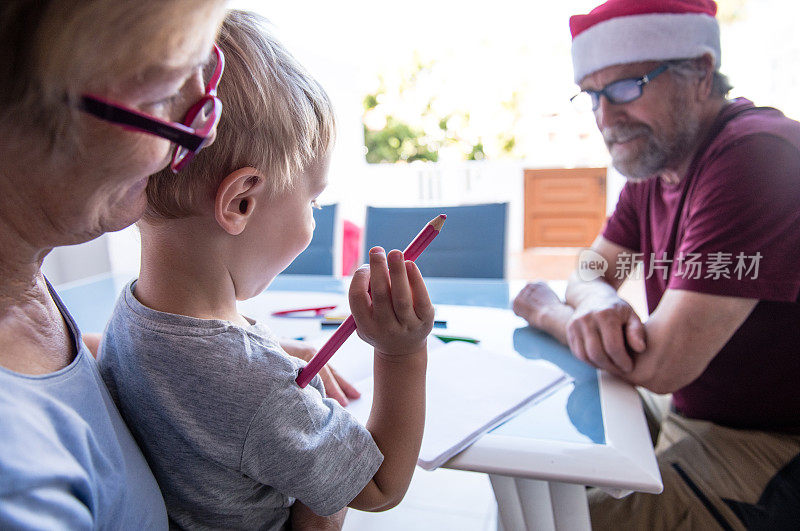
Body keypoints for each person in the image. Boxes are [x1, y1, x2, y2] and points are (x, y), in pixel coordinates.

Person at [98, 10, 433, 530]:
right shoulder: (259, 390)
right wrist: (400, 353)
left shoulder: (131, 313)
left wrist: (268, 362)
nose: (313, 220)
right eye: (314, 201)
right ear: (241, 203)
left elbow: (210, 388)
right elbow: (382, 487)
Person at [513, 0, 800, 528]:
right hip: (692, 414)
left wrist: (549, 312)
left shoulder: (757, 155)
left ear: (700, 74)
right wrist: (598, 298)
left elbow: (662, 365)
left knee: (552, 519)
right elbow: (590, 268)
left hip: (771, 445)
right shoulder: (656, 168)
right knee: (546, 461)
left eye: (626, 86)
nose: (606, 117)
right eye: (593, 95)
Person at [0, 1, 230, 527]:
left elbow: (62, 387)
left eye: (203, 62)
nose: (206, 129)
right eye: (161, 94)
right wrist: (318, 509)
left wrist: (209, 362)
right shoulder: (18, 484)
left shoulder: (18, 280)